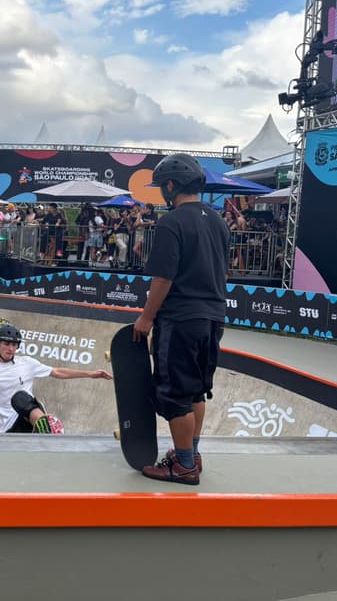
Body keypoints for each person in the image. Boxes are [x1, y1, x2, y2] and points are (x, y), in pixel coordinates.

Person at [133, 154, 230, 486]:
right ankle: (191, 454)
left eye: (162, 186)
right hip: (214, 318)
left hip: (181, 319)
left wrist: (146, 319)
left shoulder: (171, 222)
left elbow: (163, 279)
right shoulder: (218, 221)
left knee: (175, 393)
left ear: (171, 186)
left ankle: (184, 466)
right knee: (196, 392)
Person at [0, 324, 112, 433]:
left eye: (14, 345)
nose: (11, 349)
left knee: (21, 397)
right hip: (11, 429)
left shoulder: (27, 363)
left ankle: (46, 429)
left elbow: (57, 372)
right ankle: (44, 429)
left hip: (30, 418)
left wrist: (89, 374)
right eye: (6, 344)